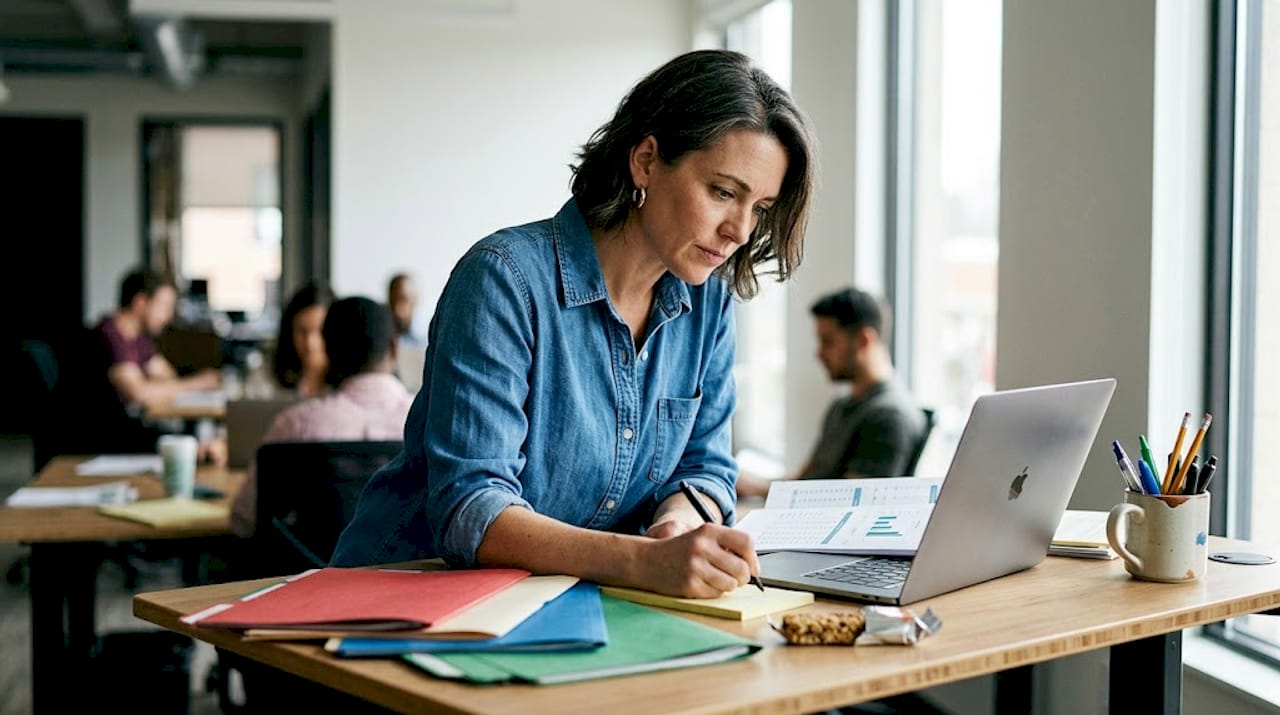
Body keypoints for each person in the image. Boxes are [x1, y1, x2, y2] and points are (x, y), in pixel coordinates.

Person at [332, 49, 815, 599]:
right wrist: (644, 560)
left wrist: (674, 528)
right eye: (724, 193)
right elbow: (472, 507)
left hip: (566, 605)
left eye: (761, 208)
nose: (739, 231)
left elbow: (704, 466)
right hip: (397, 600)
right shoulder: (504, 279)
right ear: (647, 161)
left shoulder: (709, 302)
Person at [231, 296, 413, 537]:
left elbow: (244, 518)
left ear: (327, 349)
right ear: (393, 348)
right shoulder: (433, 421)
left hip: (311, 573)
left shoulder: (293, 426)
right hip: (410, 572)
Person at [736, 287, 928, 499]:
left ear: (864, 340)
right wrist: (750, 485)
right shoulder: (842, 406)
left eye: (828, 341)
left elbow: (850, 502)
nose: (819, 353)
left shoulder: (889, 417)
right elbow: (805, 480)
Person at [81, 267, 222, 455]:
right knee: (189, 450)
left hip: (128, 430)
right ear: (141, 303)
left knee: (193, 446)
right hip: (100, 439)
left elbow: (167, 375)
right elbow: (139, 393)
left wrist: (158, 387)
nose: (168, 316)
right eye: (163, 306)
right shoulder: (110, 335)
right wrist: (198, 383)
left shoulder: (139, 338)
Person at [272, 280, 334, 399]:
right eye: (302, 331)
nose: (310, 342)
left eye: (320, 331)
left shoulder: (350, 384)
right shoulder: (271, 378)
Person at [387, 271, 425, 348]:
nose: (397, 308)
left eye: (404, 300)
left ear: (416, 301)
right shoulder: (380, 337)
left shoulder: (429, 339)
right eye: (393, 301)